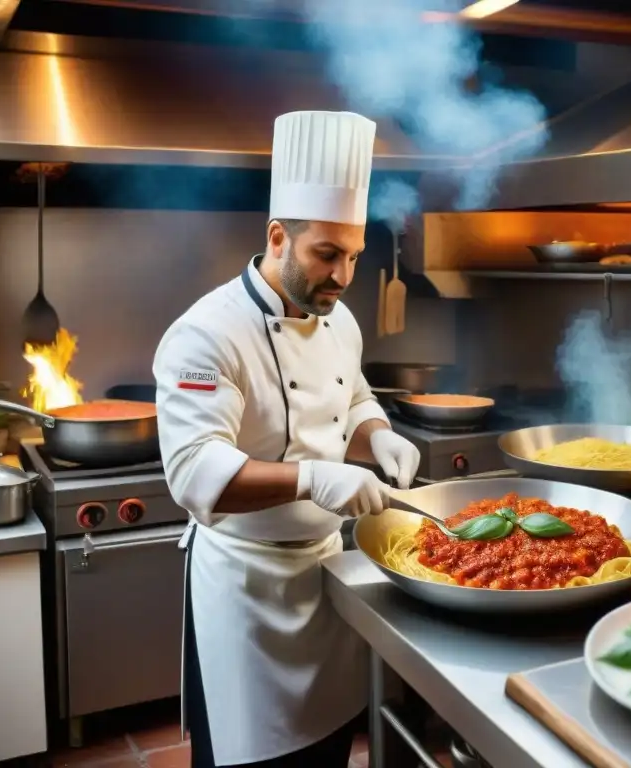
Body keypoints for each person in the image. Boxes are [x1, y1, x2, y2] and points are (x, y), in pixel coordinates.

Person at [152, 110, 421, 768]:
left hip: (324, 578)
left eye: (354, 256)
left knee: (326, 750)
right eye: (326, 254)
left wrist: (379, 434)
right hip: (245, 594)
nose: (343, 275)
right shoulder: (207, 333)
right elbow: (193, 474)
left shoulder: (340, 316)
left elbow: (352, 394)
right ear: (278, 236)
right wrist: (313, 479)